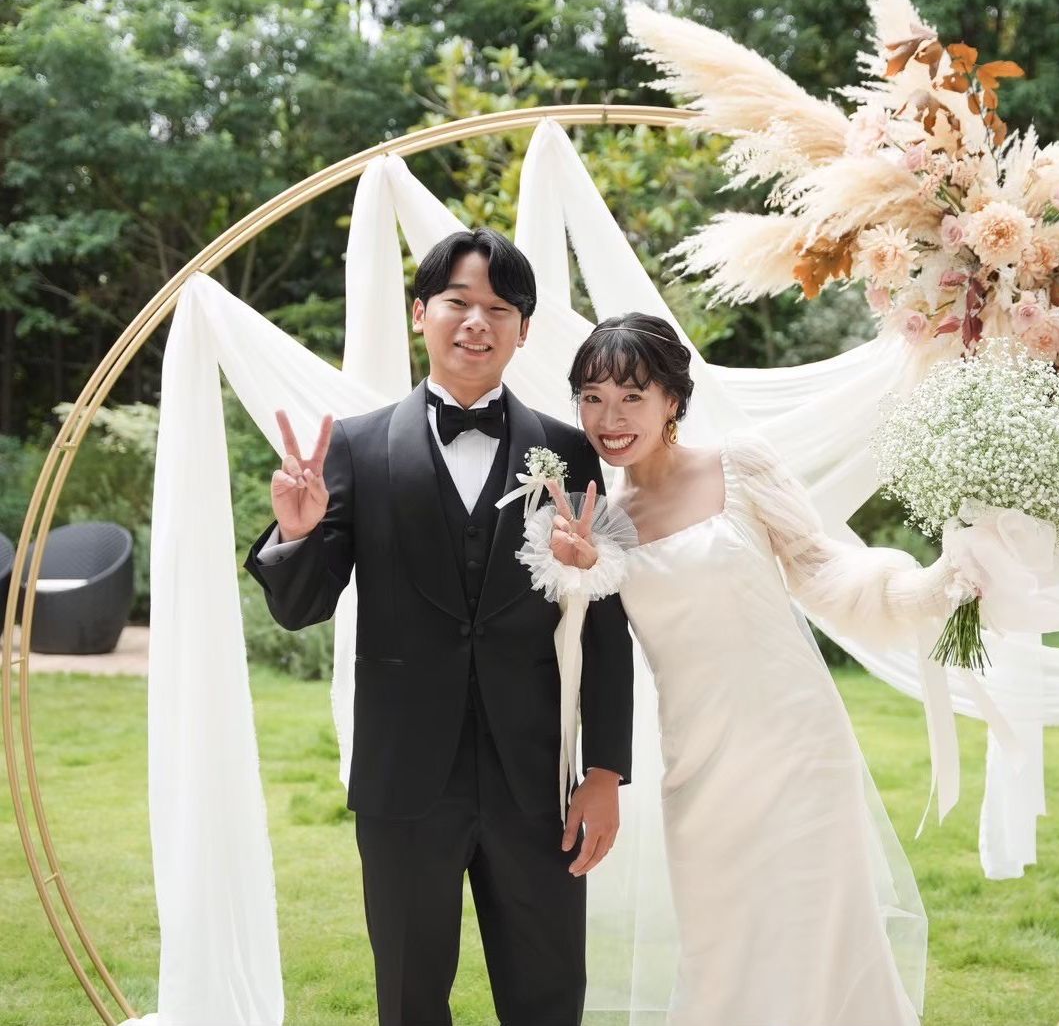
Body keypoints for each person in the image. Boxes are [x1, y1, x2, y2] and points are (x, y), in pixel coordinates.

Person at [536, 311, 981, 1026]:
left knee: (820, 935)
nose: (609, 419)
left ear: (672, 401)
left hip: (799, 747)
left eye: (631, 397)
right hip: (699, 765)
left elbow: (822, 571)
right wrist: (578, 576)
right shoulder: (600, 524)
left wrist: (931, 589)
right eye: (592, 398)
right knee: (724, 955)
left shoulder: (739, 465)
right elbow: (586, 659)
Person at [243, 229, 634, 1026]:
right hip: (404, 780)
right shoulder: (357, 448)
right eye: (458, 302)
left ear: (524, 329)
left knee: (550, 995)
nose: (476, 322)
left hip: (536, 781)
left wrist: (603, 772)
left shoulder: (567, 453)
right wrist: (296, 534)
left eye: (499, 308)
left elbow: (602, 622)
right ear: (422, 312)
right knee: (410, 999)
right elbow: (301, 606)